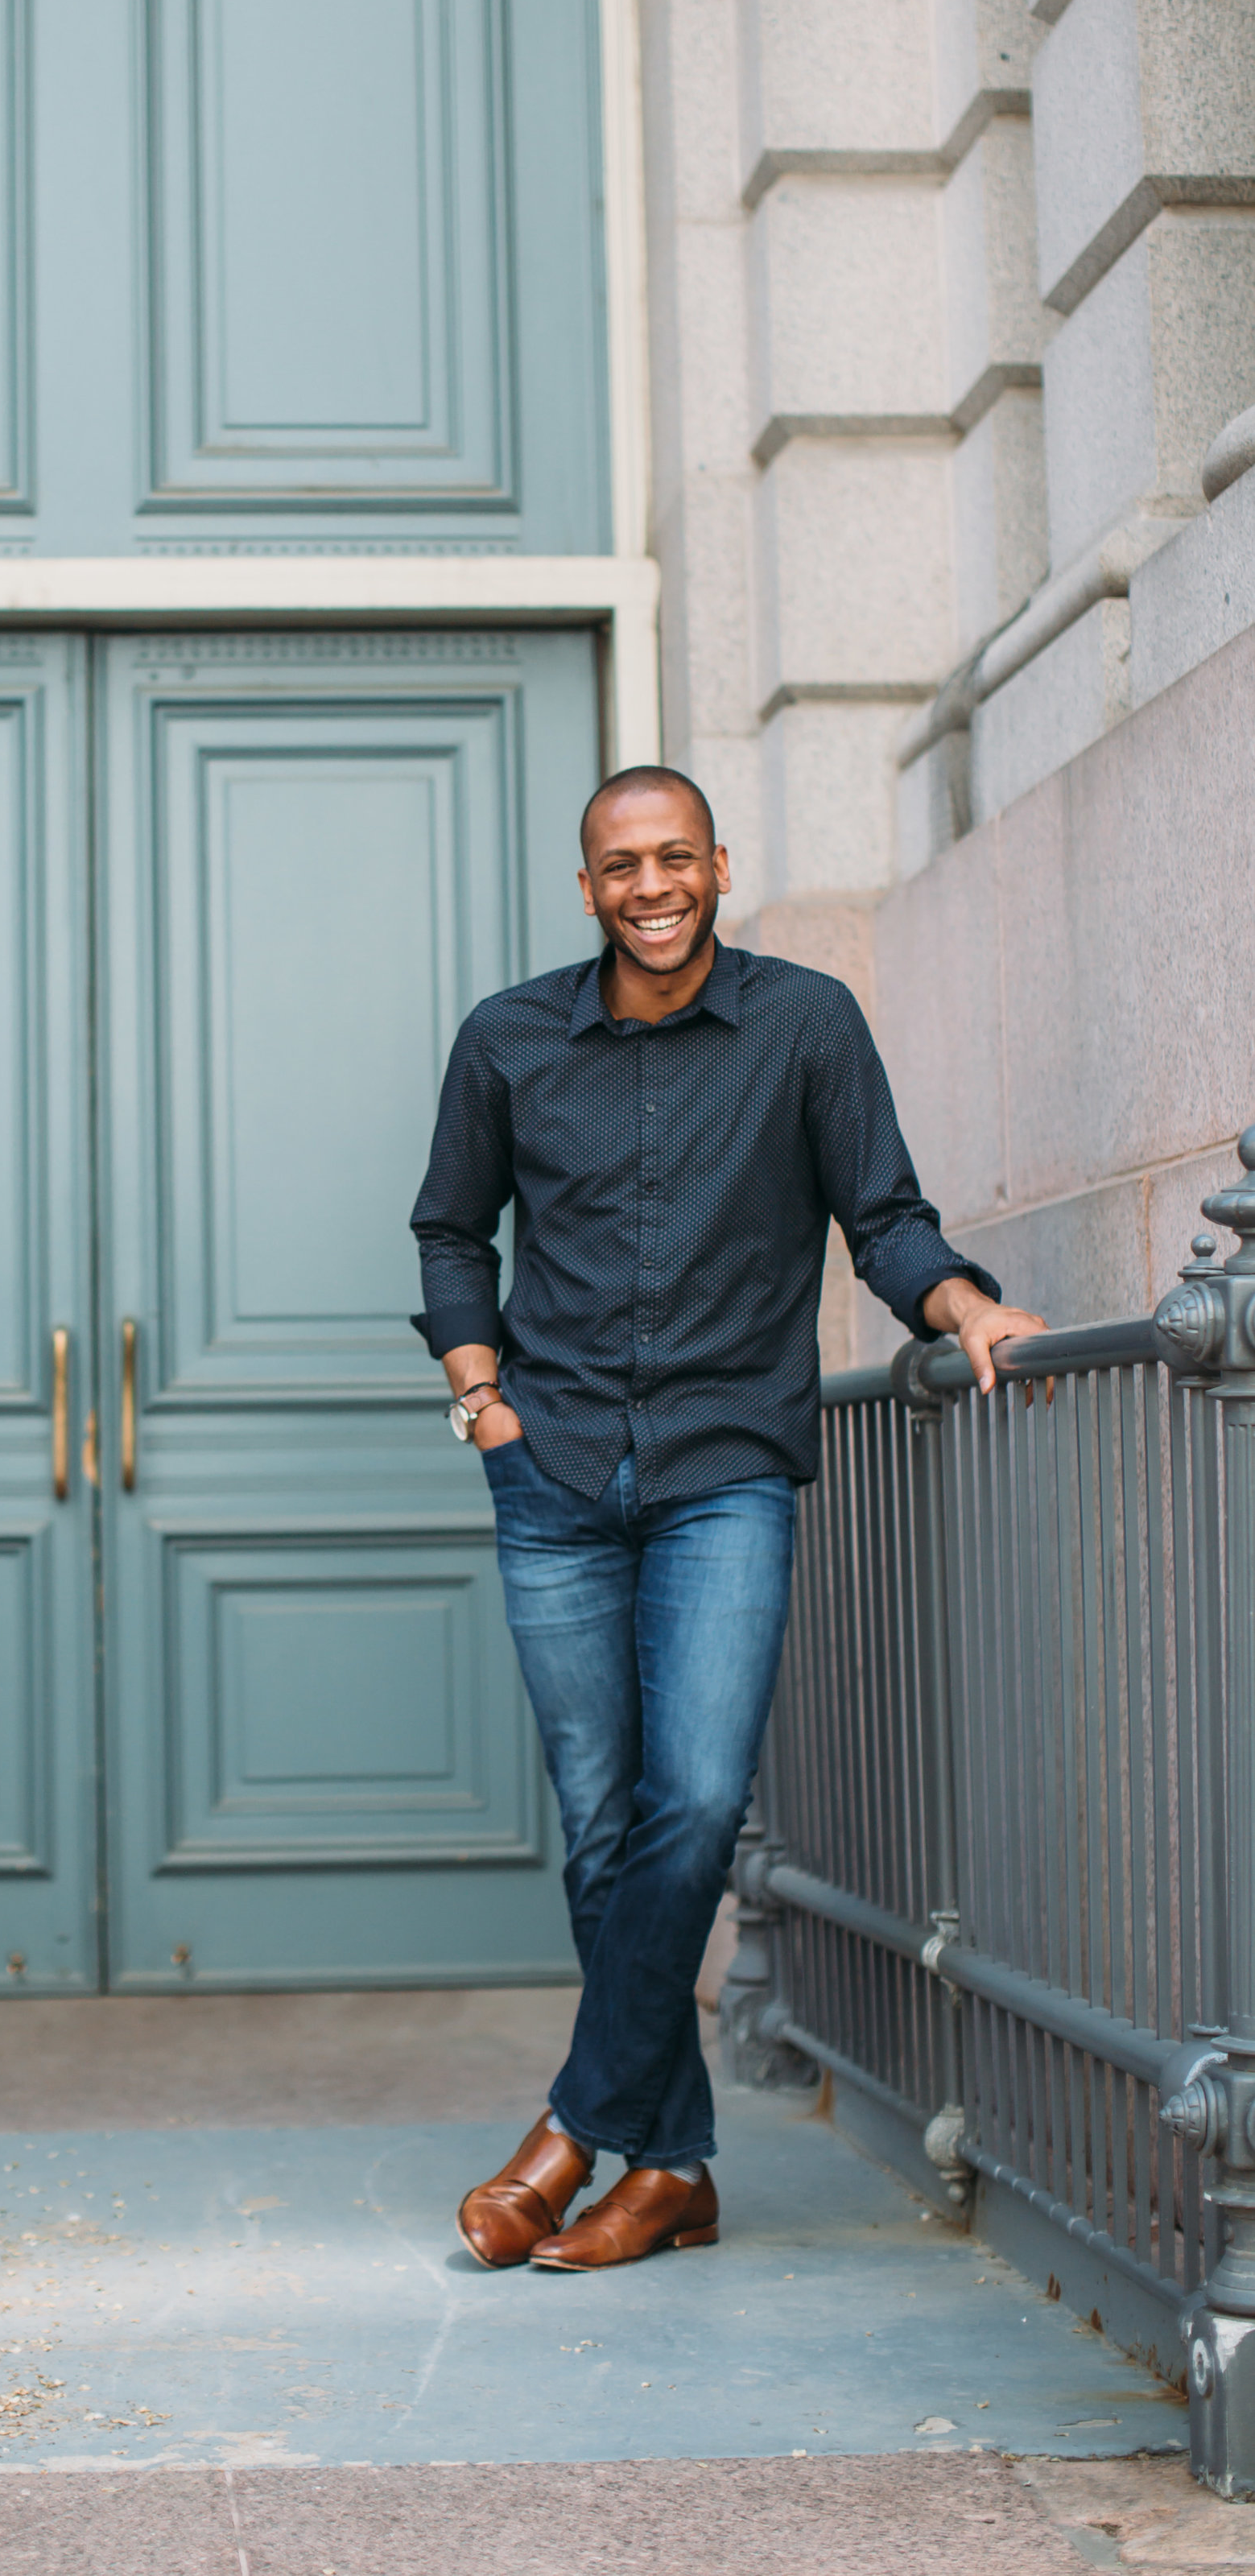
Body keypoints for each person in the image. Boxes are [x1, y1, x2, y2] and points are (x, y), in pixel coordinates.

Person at [411, 766, 1045, 2273]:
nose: (651, 885)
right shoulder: (508, 1038)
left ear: (719, 867)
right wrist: (481, 1395)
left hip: (724, 1470)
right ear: (587, 887)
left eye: (675, 857)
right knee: (601, 1826)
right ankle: (674, 2165)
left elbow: (881, 1215)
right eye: (621, 863)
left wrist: (962, 1306)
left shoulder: (805, 1024)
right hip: (552, 1470)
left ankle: (572, 2129)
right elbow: (451, 1228)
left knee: (693, 1803)